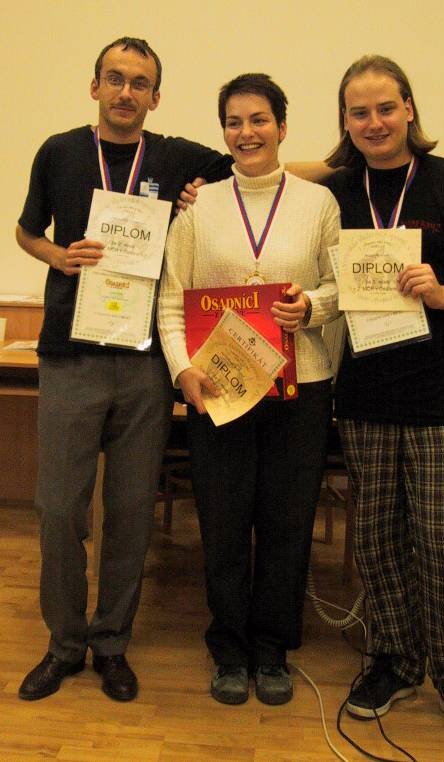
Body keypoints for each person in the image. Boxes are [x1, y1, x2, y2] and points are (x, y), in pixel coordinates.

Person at [15, 36, 236, 703]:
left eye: (140, 83)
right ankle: (64, 644)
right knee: (59, 509)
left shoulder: (175, 157)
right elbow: (26, 231)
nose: (126, 92)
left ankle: (111, 642)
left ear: (155, 97)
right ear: (95, 87)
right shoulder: (58, 152)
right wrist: (56, 256)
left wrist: (203, 189)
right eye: (115, 78)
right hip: (71, 357)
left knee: (133, 511)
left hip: (145, 363)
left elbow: (258, 164)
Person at [323, 55, 444, 743]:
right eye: (359, 112)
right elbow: (272, 173)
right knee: (378, 542)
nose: (374, 122)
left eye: (386, 108)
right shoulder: (336, 192)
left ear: (409, 108)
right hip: (365, 396)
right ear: (345, 121)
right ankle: (394, 662)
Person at [158, 73, 340, 706]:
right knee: (225, 521)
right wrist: (182, 371)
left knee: (288, 522)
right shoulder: (197, 207)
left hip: (301, 387)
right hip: (220, 389)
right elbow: (172, 300)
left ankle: (272, 649)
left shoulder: (318, 203)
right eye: (234, 122)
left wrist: (311, 307)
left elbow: (340, 287)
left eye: (259, 119)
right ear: (224, 133)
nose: (246, 132)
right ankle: (229, 648)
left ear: (282, 127)